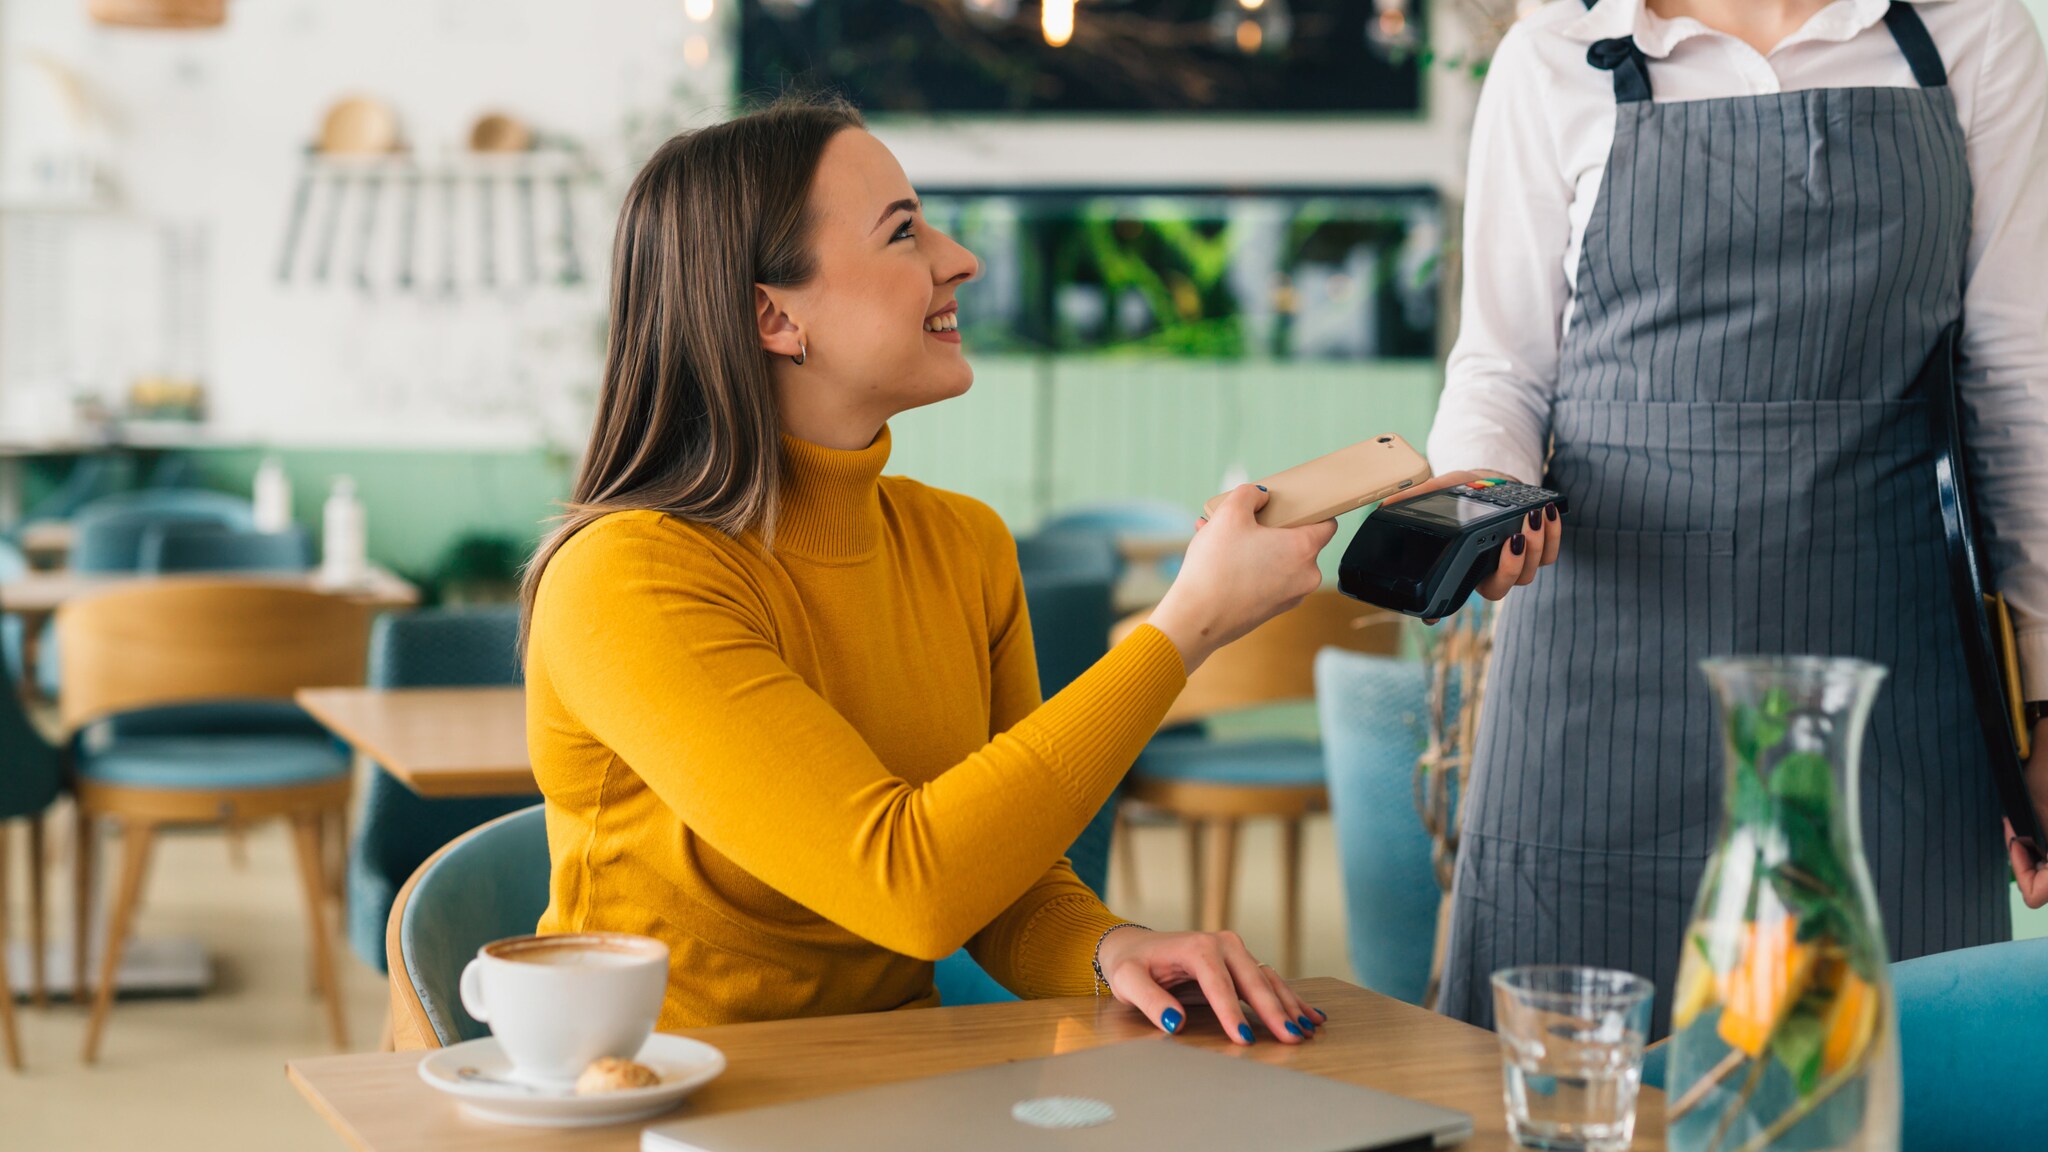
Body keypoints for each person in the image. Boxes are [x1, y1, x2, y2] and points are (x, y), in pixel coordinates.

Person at [518, 97, 1339, 1043]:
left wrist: (1109, 948)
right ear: (773, 314)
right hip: (660, 1098)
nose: (961, 259)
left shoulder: (963, 546)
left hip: (895, 1093)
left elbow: (1004, 881)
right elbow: (910, 887)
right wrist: (1187, 624)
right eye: (903, 232)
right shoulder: (626, 580)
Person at [1416, 0, 2048, 1035]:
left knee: (1876, 1077)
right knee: (1569, 1078)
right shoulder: (1553, 58)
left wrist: (2037, 695)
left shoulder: (1967, 36)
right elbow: (1499, 366)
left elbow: (2017, 385)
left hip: (1885, 683)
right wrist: (1480, 506)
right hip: (1597, 681)